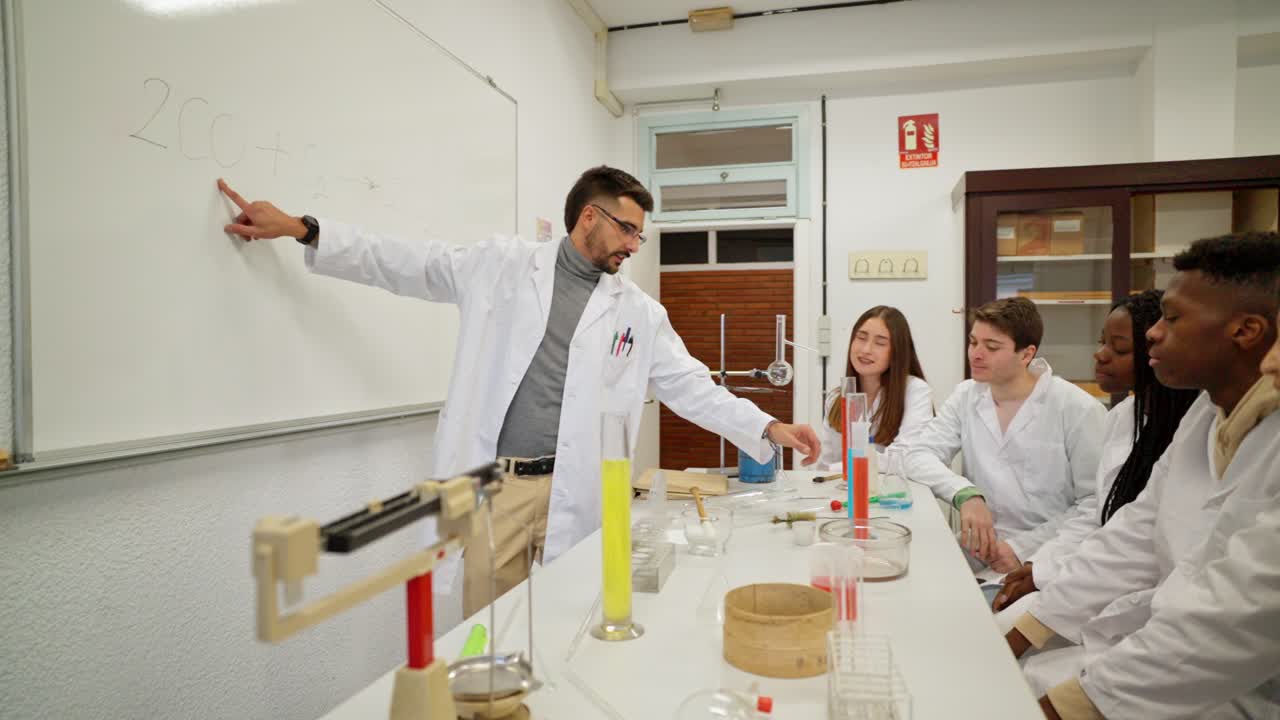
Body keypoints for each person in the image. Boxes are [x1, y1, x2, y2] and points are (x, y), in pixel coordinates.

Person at [215, 166, 821, 616]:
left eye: (639, 234)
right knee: (487, 636)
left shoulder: (637, 310)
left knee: (571, 625)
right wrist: (303, 229)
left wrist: (768, 427)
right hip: (496, 490)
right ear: (591, 216)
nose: (636, 245)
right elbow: (402, 263)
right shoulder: (500, 266)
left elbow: (691, 386)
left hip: (578, 489)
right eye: (629, 230)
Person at [1003, 232, 1280, 720]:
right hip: (1169, 648)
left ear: (1246, 330)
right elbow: (1132, 533)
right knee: (1017, 674)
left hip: (1243, 689)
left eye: (1172, 319)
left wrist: (1068, 706)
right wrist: (1024, 630)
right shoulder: (1205, 414)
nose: (1152, 332)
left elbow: (1235, 616)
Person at [991, 290, 1198, 626]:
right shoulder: (1122, 417)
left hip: (1137, 596)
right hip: (1083, 571)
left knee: (1011, 637)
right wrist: (1039, 568)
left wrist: (1047, 578)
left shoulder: (1179, 427)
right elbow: (1102, 515)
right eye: (1103, 342)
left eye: (1119, 349)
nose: (1100, 356)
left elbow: (1129, 542)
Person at [898, 297, 1105, 571]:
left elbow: (1094, 504)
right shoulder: (966, 396)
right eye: (973, 342)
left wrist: (1023, 549)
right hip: (980, 549)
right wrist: (965, 493)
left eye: (991, 347)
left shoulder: (1077, 408)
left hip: (1049, 556)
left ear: (1026, 354)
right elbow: (918, 456)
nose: (976, 354)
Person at [816, 306, 933, 473]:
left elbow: (905, 457)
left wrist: (841, 468)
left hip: (898, 493)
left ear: (896, 353)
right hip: (847, 493)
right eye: (861, 338)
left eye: (880, 343)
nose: (866, 350)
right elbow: (826, 463)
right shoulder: (836, 397)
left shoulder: (915, 390)